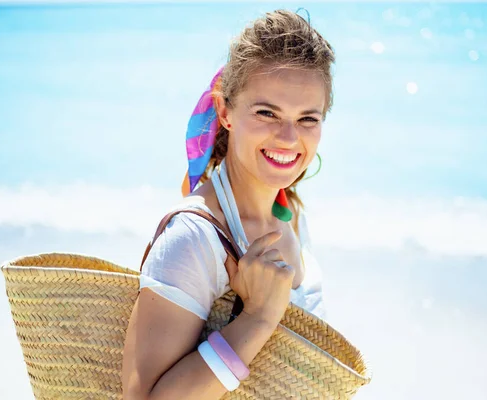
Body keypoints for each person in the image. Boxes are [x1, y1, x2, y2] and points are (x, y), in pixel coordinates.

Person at [122, 9, 335, 399]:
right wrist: (258, 317)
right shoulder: (194, 238)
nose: (289, 138)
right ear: (225, 111)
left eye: (308, 119)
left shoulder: (290, 213)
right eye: (266, 112)